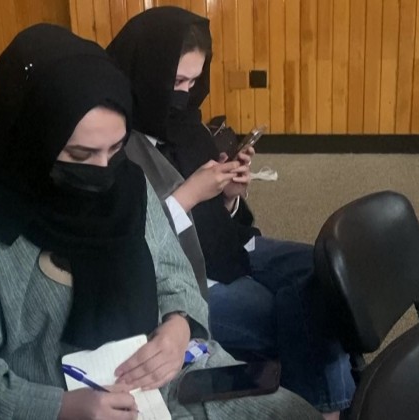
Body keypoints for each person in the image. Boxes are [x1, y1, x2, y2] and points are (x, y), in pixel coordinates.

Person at [0, 23, 320, 420]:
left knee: (292, 412)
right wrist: (57, 408)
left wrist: (178, 326)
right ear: (31, 141)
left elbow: (174, 272)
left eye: (115, 149)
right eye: (80, 155)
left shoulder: (128, 185)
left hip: (173, 378)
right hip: (60, 402)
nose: (103, 171)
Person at [107, 7, 355, 418]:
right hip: (192, 280)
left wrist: (228, 196)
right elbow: (131, 247)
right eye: (177, 82)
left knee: (328, 273)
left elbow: (217, 218)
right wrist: (189, 195)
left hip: (231, 245)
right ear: (148, 74)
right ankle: (326, 410)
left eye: (193, 81)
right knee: (311, 316)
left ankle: (320, 402)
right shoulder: (114, 143)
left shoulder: (185, 123)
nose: (185, 94)